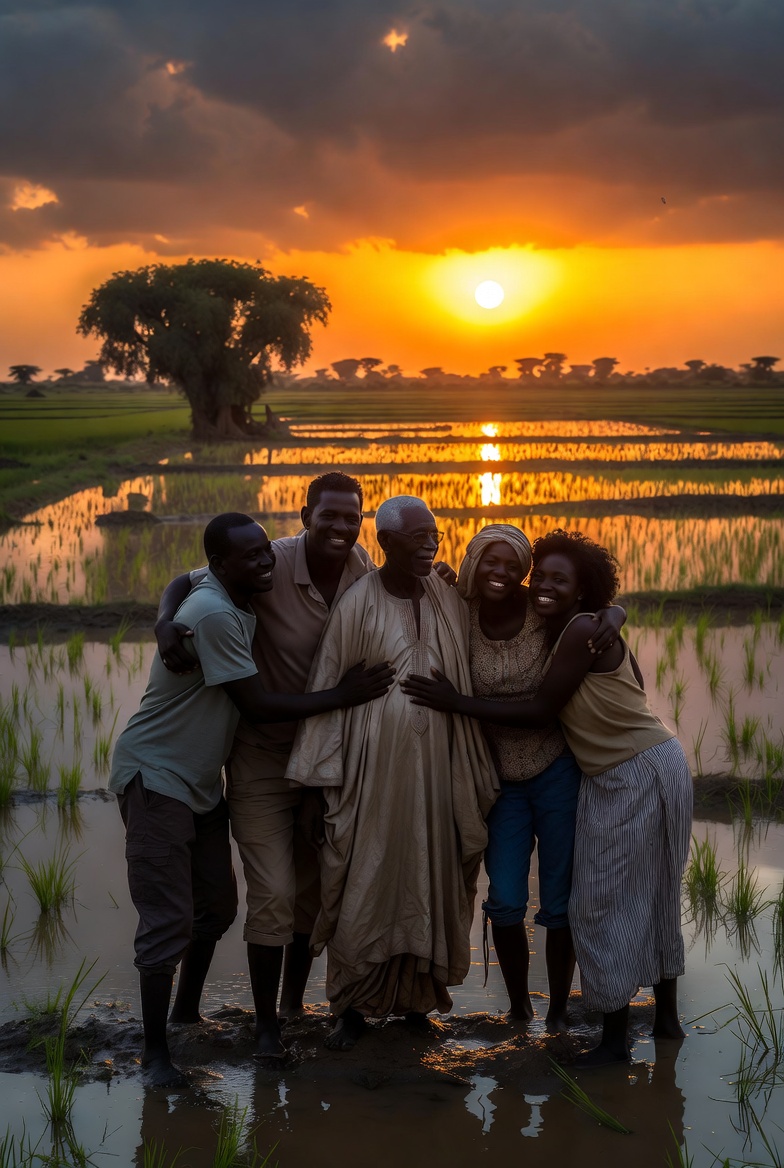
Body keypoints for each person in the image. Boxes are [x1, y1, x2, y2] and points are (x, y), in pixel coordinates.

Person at [111, 512, 393, 1086]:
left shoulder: (221, 588)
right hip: (156, 777)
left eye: (268, 552)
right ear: (223, 565)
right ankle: (156, 1054)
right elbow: (259, 705)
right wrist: (345, 693)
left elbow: (180, 581)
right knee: (167, 920)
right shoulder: (215, 614)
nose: (267, 563)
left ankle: (186, 1011)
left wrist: (162, 620)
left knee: (213, 908)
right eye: (253, 557)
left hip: (200, 782)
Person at [403, 528, 693, 1066]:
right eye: (542, 576)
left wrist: (454, 701)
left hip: (624, 771)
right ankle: (666, 1021)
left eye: (560, 579)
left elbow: (541, 709)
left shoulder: (581, 628)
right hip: (644, 765)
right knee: (652, 894)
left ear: (584, 592)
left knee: (599, 902)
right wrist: (614, 613)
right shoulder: (570, 623)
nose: (543, 586)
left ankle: (610, 1042)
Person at [285, 496, 498, 1050]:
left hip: (438, 773)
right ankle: (352, 1008)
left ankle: (416, 1006)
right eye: (418, 537)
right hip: (370, 775)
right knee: (364, 878)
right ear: (385, 543)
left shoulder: (447, 596)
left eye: (435, 535)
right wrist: (313, 789)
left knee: (434, 872)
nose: (432, 544)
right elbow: (327, 686)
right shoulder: (357, 604)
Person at [449, 524, 624, 1031]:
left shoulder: (542, 611)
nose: (499, 574)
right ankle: (520, 1009)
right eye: (489, 562)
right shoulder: (459, 613)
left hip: (556, 770)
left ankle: (561, 1011)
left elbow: (595, 610)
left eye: (511, 566)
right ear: (473, 564)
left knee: (559, 896)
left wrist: (615, 611)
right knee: (504, 897)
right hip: (500, 781)